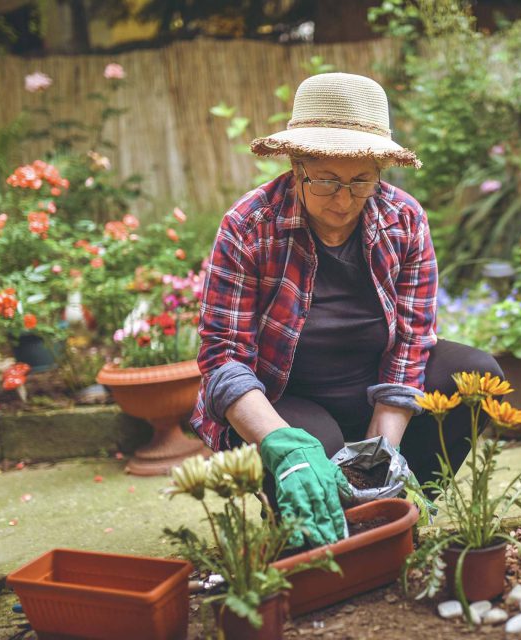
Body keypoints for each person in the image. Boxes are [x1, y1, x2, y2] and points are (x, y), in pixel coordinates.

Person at [190, 72, 502, 548]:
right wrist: (283, 445)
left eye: (361, 181)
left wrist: (383, 452)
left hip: (374, 395)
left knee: (477, 373)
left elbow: (413, 338)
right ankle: (311, 509)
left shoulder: (404, 219)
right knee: (315, 455)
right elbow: (222, 357)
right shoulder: (250, 225)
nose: (344, 200)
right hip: (285, 401)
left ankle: (396, 509)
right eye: (327, 181)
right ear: (297, 166)